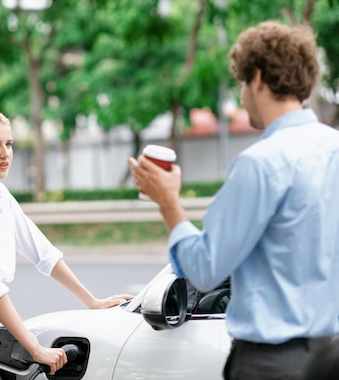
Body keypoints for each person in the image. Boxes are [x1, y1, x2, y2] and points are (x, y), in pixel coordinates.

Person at [128, 20, 339, 380]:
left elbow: (205, 270)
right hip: (328, 355)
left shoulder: (260, 164)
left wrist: (168, 203)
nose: (242, 97)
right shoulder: (334, 147)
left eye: (241, 84)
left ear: (256, 78)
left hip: (269, 364)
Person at [0, 108, 132, 380]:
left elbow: (42, 253)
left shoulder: (1, 196)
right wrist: (34, 348)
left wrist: (91, 300)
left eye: (8, 144)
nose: (5, 153)